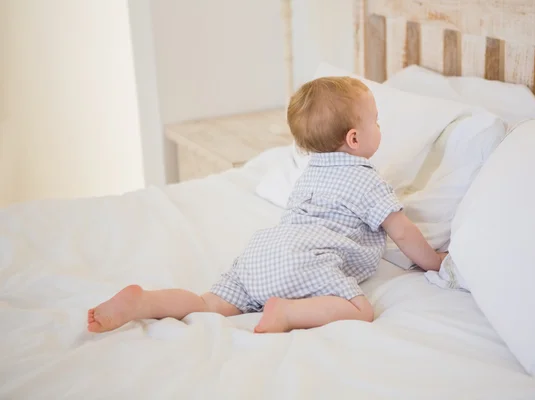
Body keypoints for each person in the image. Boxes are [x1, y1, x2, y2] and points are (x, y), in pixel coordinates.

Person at [87, 76, 446, 334]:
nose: (380, 128)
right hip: (305, 260)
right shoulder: (367, 180)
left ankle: (145, 303)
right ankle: (287, 313)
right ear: (354, 138)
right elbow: (402, 230)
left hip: (261, 253)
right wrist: (433, 261)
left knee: (209, 303)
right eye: (377, 122)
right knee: (360, 310)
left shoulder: (309, 174)